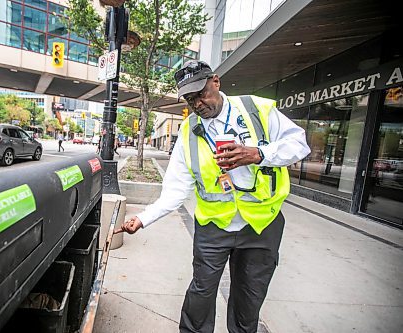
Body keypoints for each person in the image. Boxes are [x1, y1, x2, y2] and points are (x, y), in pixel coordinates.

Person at [116, 60, 310, 333]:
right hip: (213, 227)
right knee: (201, 293)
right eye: (190, 99)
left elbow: (299, 145)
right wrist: (144, 218)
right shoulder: (188, 131)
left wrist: (258, 154)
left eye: (201, 93)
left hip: (262, 225)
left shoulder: (257, 109)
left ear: (215, 82)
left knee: (249, 299)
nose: (197, 104)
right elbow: (176, 188)